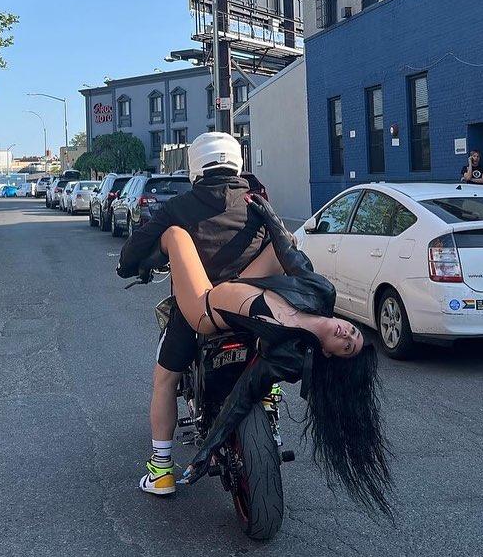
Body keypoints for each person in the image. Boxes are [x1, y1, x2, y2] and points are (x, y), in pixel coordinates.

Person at [152, 194, 392, 516]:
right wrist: (265, 211)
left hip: (206, 308)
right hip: (240, 284)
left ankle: (160, 469)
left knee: (175, 235)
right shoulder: (321, 292)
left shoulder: (287, 354)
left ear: (329, 353)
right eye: (353, 333)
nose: (346, 335)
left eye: (346, 346)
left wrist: (206, 451)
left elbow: (242, 395)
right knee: (289, 240)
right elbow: (289, 252)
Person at [117, 132, 269, 496]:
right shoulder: (258, 201)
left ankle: (162, 471)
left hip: (198, 311)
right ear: (238, 163)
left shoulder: (180, 207)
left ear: (195, 167)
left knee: (165, 380)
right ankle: (271, 421)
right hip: (253, 308)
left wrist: (130, 266)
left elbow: (135, 248)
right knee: (268, 353)